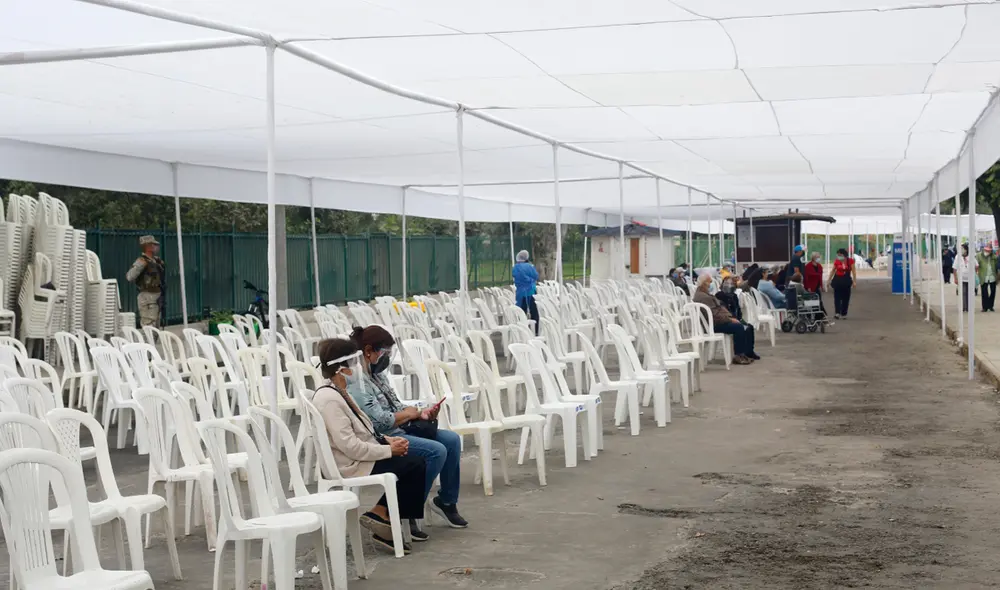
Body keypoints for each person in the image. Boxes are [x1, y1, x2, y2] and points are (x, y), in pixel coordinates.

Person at [347, 325, 468, 538]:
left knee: (451, 440)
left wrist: (420, 414)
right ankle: (406, 511)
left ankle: (446, 501)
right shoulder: (357, 383)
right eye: (383, 353)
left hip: (400, 427)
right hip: (383, 438)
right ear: (368, 351)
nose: (386, 359)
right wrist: (409, 415)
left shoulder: (377, 375)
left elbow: (395, 405)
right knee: (436, 451)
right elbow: (379, 422)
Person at [312, 338, 426, 554]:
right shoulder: (330, 399)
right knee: (414, 464)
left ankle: (382, 515)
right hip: (348, 464)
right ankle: (382, 516)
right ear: (342, 368)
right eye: (354, 362)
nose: (358, 367)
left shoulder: (338, 390)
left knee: (413, 460)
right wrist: (387, 450)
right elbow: (350, 446)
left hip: (356, 455)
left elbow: (363, 429)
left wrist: (387, 440)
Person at [693, 274, 758, 364]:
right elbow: (715, 315)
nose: (711, 284)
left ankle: (746, 353)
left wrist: (730, 317)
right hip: (713, 324)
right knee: (738, 327)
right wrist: (730, 320)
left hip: (714, 322)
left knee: (745, 326)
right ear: (704, 283)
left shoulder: (703, 294)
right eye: (710, 282)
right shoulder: (704, 297)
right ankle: (739, 355)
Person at [125, 235, 165, 327]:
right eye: (153, 244)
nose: (156, 247)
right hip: (147, 297)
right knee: (149, 325)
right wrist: (141, 266)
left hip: (157, 296)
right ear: (148, 246)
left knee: (156, 326)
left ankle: (152, 341)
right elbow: (129, 276)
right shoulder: (142, 261)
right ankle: (146, 341)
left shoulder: (157, 261)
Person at [513, 250, 540, 336]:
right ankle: (535, 331)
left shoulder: (515, 268)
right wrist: (531, 280)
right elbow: (536, 276)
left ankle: (522, 331)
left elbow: (515, 277)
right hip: (530, 291)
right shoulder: (529, 266)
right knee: (534, 311)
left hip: (520, 293)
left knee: (521, 311)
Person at [827, 248, 857, 319]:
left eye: (840, 255)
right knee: (837, 297)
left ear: (844, 255)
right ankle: (837, 312)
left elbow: (854, 271)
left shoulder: (850, 261)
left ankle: (844, 313)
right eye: (838, 255)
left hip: (846, 280)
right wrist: (829, 280)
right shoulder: (837, 261)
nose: (838, 256)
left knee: (846, 298)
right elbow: (833, 271)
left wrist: (854, 281)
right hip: (838, 280)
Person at [956, 243, 978, 313]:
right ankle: (963, 307)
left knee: (969, 293)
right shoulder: (958, 257)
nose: (961, 250)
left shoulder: (971, 257)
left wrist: (974, 272)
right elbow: (954, 268)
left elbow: (977, 265)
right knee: (963, 293)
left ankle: (968, 307)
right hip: (961, 278)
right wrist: (955, 278)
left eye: (962, 249)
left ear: (966, 249)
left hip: (970, 278)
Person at [803, 252, 826, 318]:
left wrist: (822, 286)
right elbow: (806, 278)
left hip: (817, 286)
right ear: (813, 258)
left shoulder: (819, 266)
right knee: (813, 302)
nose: (819, 258)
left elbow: (820, 277)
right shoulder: (808, 266)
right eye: (817, 257)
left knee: (818, 301)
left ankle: (819, 316)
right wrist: (808, 287)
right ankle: (818, 316)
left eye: (819, 257)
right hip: (811, 286)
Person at [977, 244, 997, 312]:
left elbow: (997, 266)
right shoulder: (979, 255)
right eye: (986, 250)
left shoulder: (994, 257)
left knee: (993, 292)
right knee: (984, 292)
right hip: (983, 276)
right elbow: (976, 264)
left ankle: (991, 306)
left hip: (992, 276)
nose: (987, 252)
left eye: (989, 251)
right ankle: (985, 307)